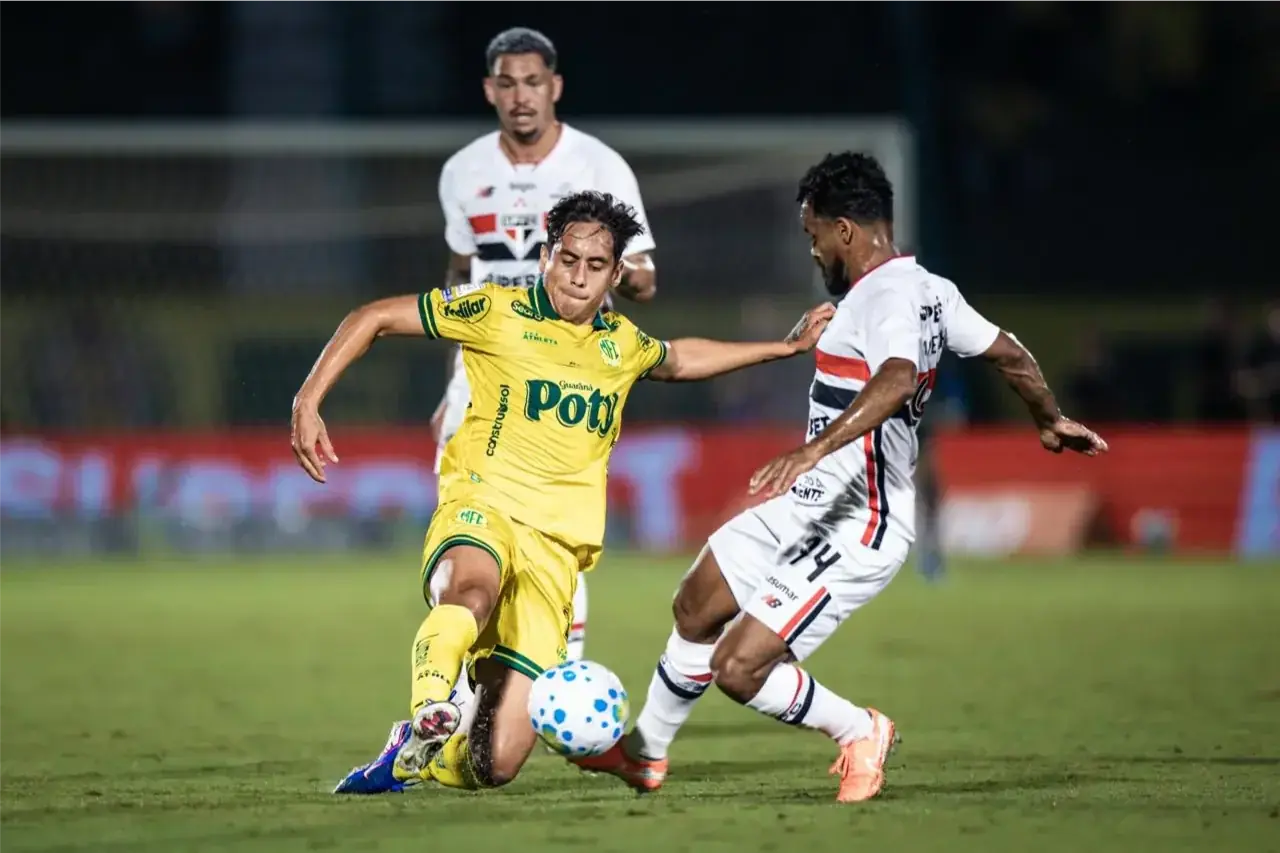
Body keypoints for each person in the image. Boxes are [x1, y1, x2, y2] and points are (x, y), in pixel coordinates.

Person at [572, 153, 1109, 803]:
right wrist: (1049, 419)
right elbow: (1011, 353)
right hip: (811, 504)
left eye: (814, 234)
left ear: (844, 230)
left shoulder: (886, 296)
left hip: (861, 522)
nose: (812, 249)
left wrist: (814, 448)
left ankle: (860, 730)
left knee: (738, 668)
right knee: (696, 601)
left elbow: (898, 378)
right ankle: (646, 752)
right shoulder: (931, 290)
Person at [292, 191, 834, 794]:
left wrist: (785, 348)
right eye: (567, 259)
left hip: (556, 552)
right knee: (470, 592)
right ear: (545, 256)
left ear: (615, 274)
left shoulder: (621, 344)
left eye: (594, 265)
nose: (577, 276)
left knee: (493, 765)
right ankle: (431, 707)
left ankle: (413, 754)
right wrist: (308, 400)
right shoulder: (493, 309)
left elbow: (679, 358)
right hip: (483, 504)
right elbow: (371, 318)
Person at [431, 29, 658, 703]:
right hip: (482, 374)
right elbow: (460, 276)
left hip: (564, 374)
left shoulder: (600, 166)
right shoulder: (461, 172)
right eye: (507, 83)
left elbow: (645, 276)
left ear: (554, 86)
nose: (521, 96)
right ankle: (454, 700)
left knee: (550, 533)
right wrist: (451, 380)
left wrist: (609, 270)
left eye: (533, 82)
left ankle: (555, 688)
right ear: (489, 90)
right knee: (462, 532)